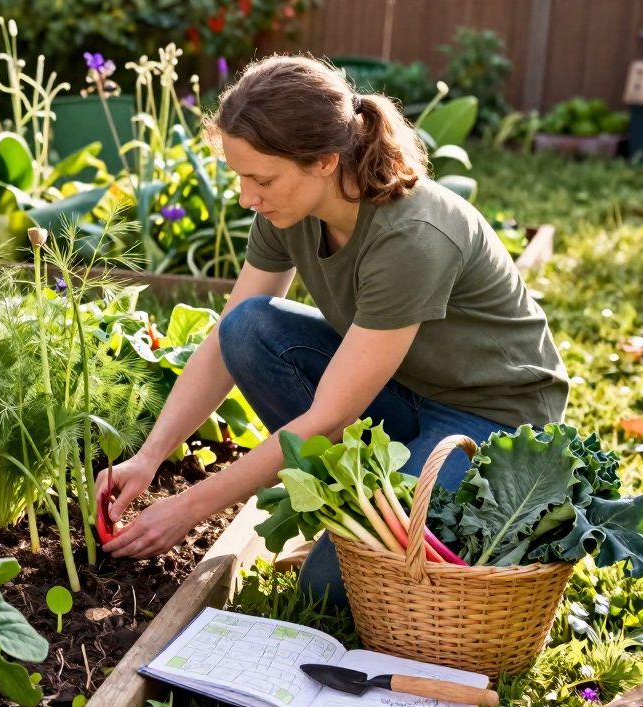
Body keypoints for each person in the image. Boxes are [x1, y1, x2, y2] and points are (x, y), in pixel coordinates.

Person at [98, 54, 569, 605]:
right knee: (248, 329)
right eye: (240, 177)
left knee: (327, 588)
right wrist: (149, 456)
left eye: (261, 178)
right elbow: (227, 339)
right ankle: (366, 501)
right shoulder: (288, 211)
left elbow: (329, 416)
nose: (248, 196)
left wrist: (191, 506)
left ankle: (402, 507)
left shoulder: (412, 235)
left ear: (324, 160)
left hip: (493, 419)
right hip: (402, 391)